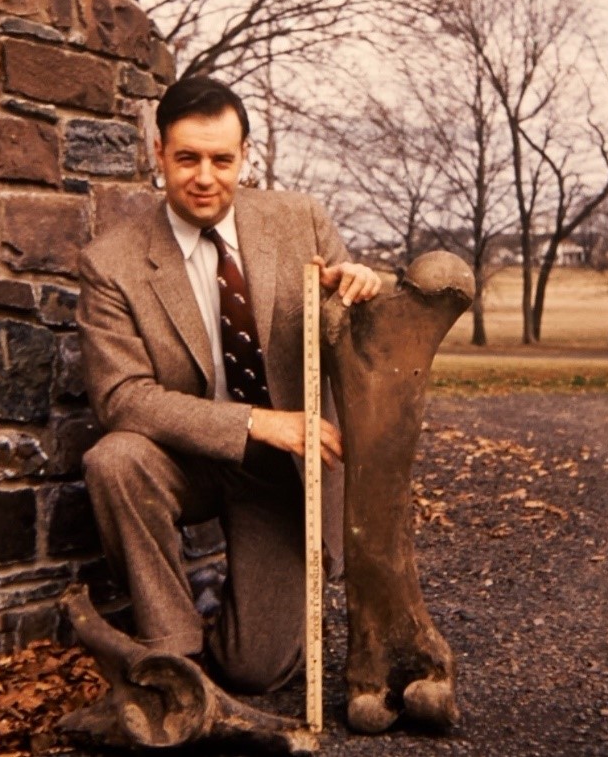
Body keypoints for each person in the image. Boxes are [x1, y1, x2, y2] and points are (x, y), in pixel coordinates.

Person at [77, 75, 381, 694]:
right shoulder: (112, 262)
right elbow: (121, 397)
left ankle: (228, 605)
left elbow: (358, 347)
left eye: (222, 159)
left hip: (287, 471)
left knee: (254, 671)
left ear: (246, 156)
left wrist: (363, 290)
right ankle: (175, 650)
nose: (205, 177)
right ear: (157, 153)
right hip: (189, 458)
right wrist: (254, 422)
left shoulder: (301, 221)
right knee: (114, 460)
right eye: (187, 158)